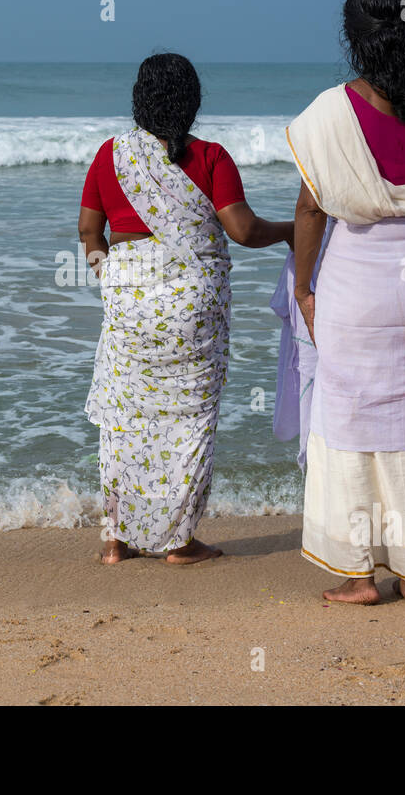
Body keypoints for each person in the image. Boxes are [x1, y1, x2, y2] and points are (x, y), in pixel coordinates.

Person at [80, 53, 293, 565]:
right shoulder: (210, 157)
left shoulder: (111, 155)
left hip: (129, 301)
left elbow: (91, 231)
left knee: (124, 417)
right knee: (190, 420)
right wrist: (295, 230)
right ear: (192, 102)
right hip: (191, 307)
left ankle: (115, 541)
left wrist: (111, 277)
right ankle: (179, 542)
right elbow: (242, 230)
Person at [288, 0, 405, 604]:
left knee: (349, 426)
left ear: (353, 36)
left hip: (354, 289)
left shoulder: (331, 112)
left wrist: (305, 288)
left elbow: (311, 213)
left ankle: (359, 577)